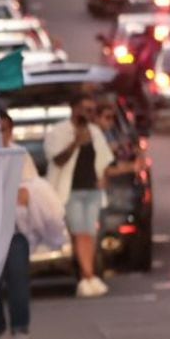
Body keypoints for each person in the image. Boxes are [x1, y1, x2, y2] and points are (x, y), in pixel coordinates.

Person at [44, 95, 115, 297]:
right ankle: (87, 276)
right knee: (78, 234)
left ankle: (88, 277)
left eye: (92, 110)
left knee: (89, 234)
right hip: (70, 192)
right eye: (85, 109)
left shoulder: (94, 132)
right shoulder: (59, 132)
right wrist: (75, 142)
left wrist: (104, 178)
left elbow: (104, 160)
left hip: (92, 189)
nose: (89, 114)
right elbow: (57, 160)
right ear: (74, 109)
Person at [0, 112, 39, 339]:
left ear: (11, 131)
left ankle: (20, 332)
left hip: (15, 228)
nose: (0, 134)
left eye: (4, 129)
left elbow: (27, 192)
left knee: (18, 279)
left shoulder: (19, 155)